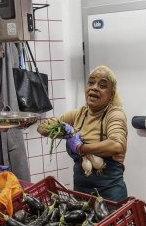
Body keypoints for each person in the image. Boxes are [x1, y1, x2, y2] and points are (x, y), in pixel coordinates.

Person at [37, 65, 129, 201]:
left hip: (109, 195)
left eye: (102, 85)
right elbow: (42, 127)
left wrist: (81, 148)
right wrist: (63, 130)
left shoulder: (114, 114)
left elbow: (116, 145)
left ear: (111, 94)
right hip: (81, 193)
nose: (94, 87)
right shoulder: (79, 114)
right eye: (91, 83)